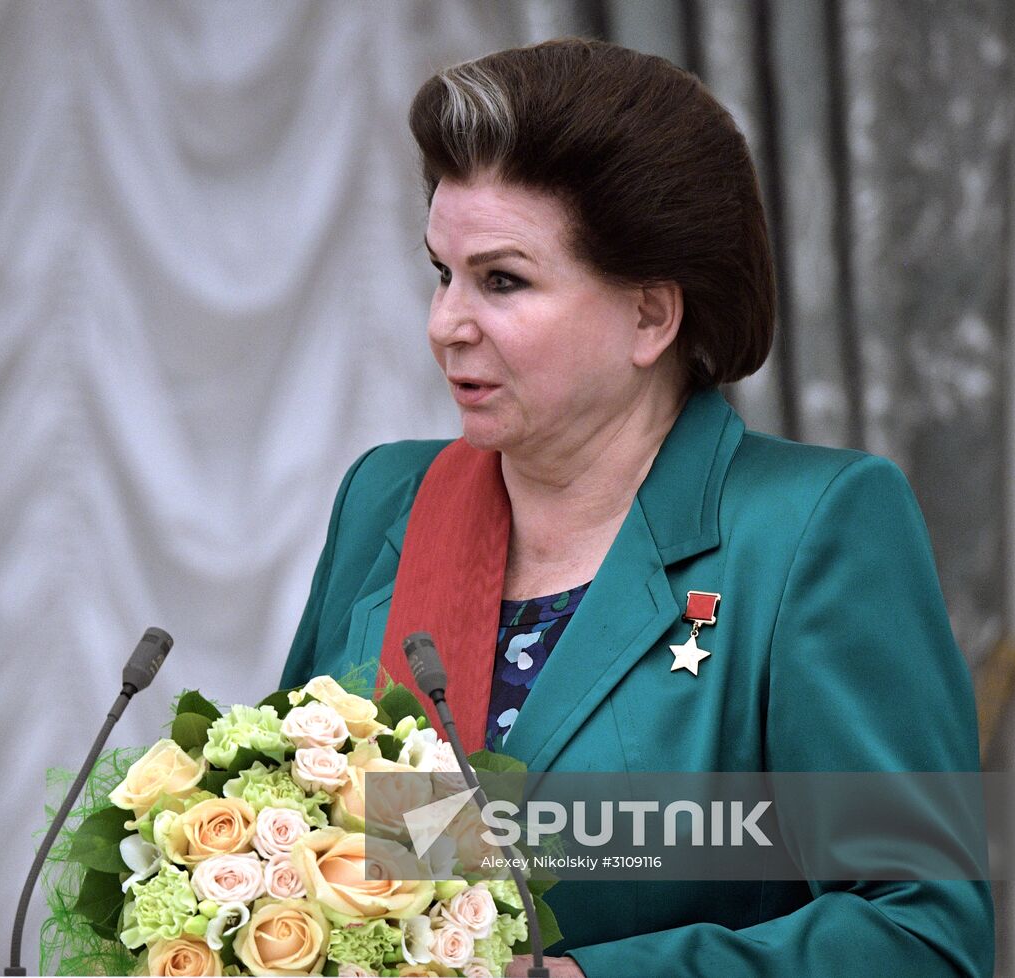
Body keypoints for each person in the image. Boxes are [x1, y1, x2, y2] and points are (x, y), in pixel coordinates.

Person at [279, 38, 993, 978]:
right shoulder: (390, 499)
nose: (446, 322)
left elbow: (921, 931)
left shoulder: (815, 527)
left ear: (652, 316)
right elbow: (285, 836)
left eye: (502, 280)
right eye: (441, 274)